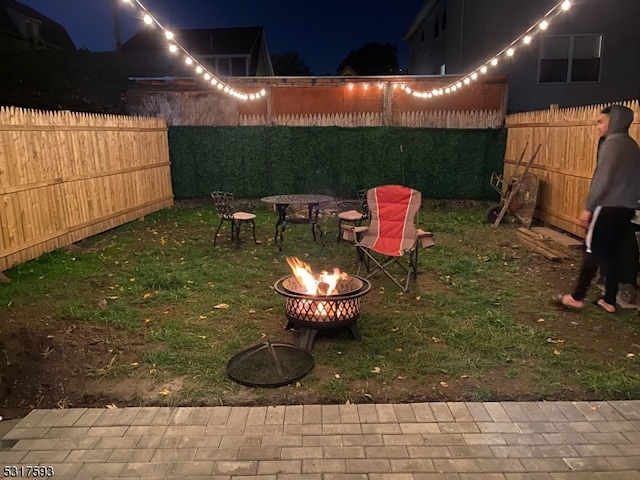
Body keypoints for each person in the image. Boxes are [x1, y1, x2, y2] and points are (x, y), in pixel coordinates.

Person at [557, 104, 640, 313]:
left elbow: (602, 179)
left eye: (601, 121)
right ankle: (609, 300)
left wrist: (589, 206)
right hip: (627, 209)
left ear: (615, 121)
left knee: (591, 249)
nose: (597, 125)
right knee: (612, 254)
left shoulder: (611, 144)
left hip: (608, 208)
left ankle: (576, 297)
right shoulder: (632, 146)